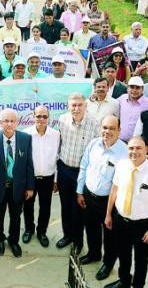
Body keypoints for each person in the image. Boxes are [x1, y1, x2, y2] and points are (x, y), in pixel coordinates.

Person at [76, 115, 127, 281]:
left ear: (119, 130)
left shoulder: (124, 152)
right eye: (105, 127)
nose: (107, 131)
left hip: (110, 202)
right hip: (89, 196)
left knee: (110, 235)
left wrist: (111, 211)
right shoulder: (93, 143)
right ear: (100, 128)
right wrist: (80, 191)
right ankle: (94, 254)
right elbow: (84, 166)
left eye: (112, 128)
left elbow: (123, 184)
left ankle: (108, 262)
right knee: (91, 228)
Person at [0, 108, 35, 257]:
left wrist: (30, 187)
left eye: (12, 121)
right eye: (6, 121)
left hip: (17, 188)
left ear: (17, 122)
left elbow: (29, 164)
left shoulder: (25, 138)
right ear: (0, 123)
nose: (9, 124)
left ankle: (14, 241)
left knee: (16, 217)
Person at [57, 93, 99, 252]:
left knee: (79, 208)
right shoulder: (62, 120)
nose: (76, 108)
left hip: (82, 173)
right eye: (73, 105)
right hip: (64, 169)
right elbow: (59, 145)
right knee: (65, 206)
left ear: (85, 106)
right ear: (69, 106)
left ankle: (78, 241)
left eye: (79, 105)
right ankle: (67, 235)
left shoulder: (94, 124)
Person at [104, 136, 148, 288]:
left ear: (146, 150)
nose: (134, 151)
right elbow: (114, 190)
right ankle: (124, 281)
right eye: (131, 148)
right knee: (123, 254)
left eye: (138, 148)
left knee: (141, 260)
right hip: (121, 220)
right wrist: (109, 214)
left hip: (143, 225)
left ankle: (137, 285)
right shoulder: (122, 165)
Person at [23, 106, 60, 247]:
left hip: (48, 178)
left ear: (48, 118)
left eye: (45, 116)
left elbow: (57, 157)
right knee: (28, 205)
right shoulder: (26, 134)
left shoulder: (55, 135)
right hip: (30, 178)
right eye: (39, 116)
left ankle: (42, 232)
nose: (41, 119)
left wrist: (56, 180)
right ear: (33, 117)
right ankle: (28, 229)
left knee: (45, 207)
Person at [118, 76, 148, 142]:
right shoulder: (122, 99)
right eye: (132, 87)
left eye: (137, 88)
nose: (134, 90)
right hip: (119, 141)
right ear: (127, 88)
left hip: (137, 145)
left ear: (142, 89)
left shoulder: (147, 103)